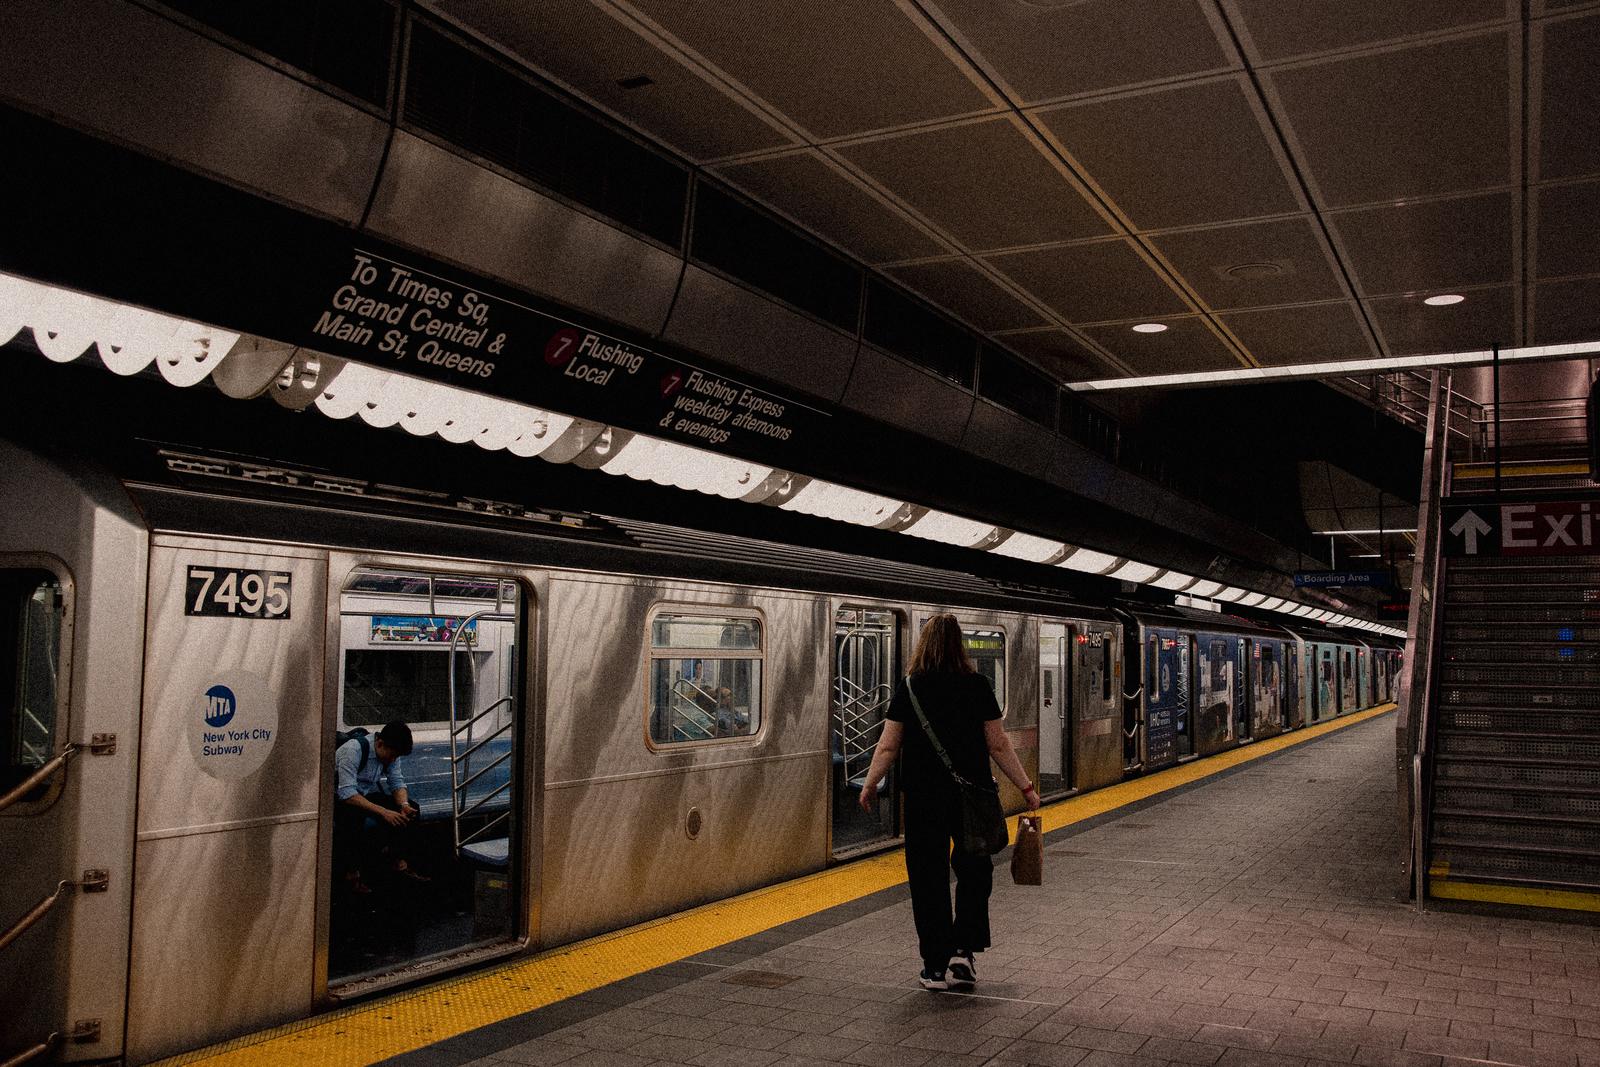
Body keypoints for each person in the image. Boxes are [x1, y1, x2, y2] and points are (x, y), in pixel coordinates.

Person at [858, 614, 1040, 991]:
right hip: (970, 797)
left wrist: (871, 783)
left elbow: (889, 744)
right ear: (960, 645)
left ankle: (935, 965)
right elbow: (998, 744)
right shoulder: (977, 685)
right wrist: (1025, 787)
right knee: (975, 871)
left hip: (923, 800)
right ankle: (963, 951)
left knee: (928, 878)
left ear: (923, 643)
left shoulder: (910, 687)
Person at [333, 720, 425, 892]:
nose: (393, 760)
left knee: (412, 810)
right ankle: (351, 874)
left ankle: (399, 862)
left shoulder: (391, 753)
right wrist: (384, 812)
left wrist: (403, 804)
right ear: (380, 743)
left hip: (363, 795)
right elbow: (346, 794)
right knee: (352, 817)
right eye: (391, 756)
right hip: (341, 800)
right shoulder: (352, 751)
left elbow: (396, 782)